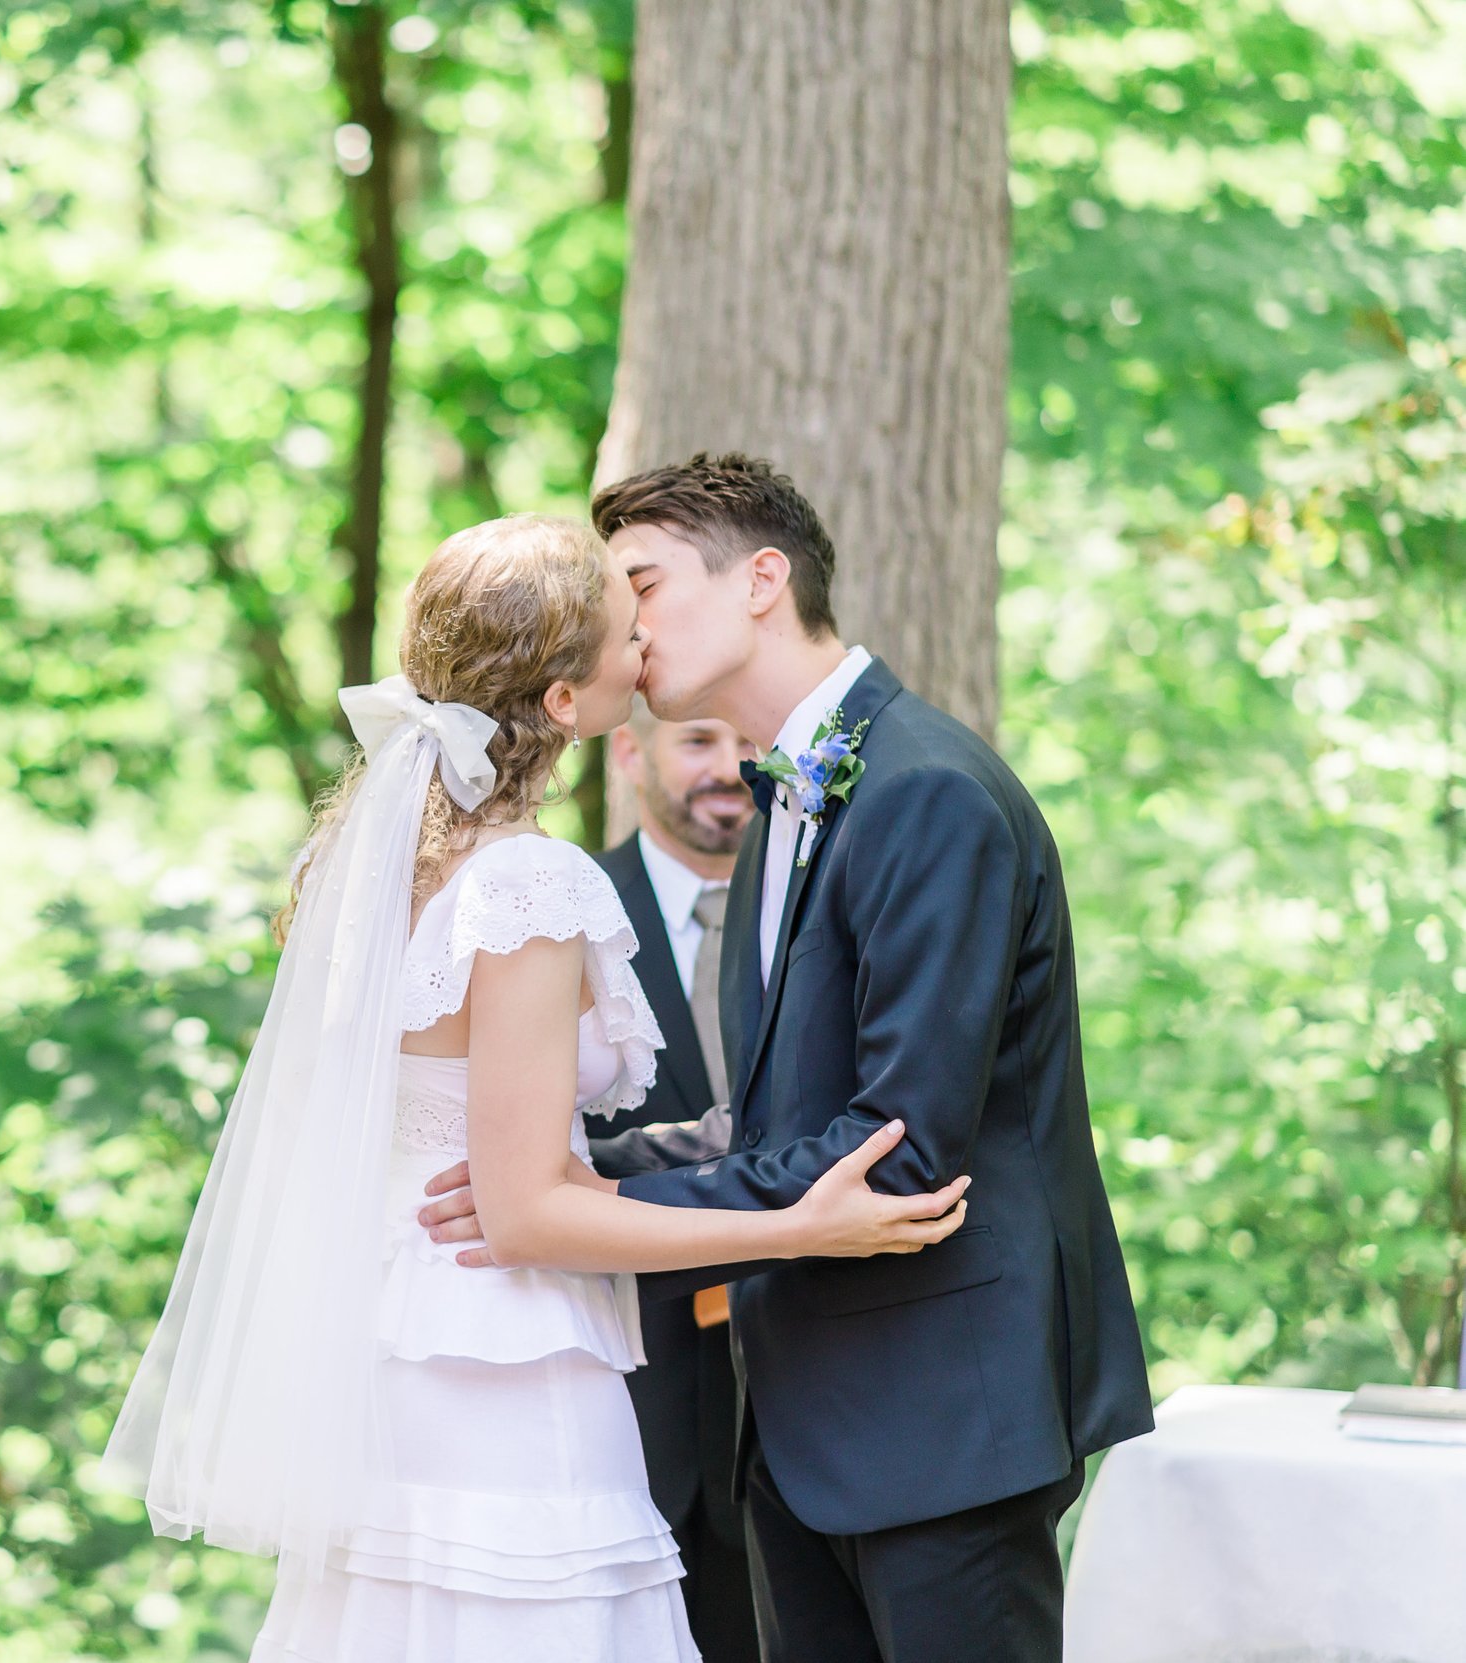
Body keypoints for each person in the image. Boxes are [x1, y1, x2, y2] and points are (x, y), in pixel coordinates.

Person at [106, 512, 969, 1663]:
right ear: (567, 705)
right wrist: (798, 1225)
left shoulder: (377, 863)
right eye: (626, 633)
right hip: (497, 1366)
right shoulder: (521, 883)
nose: (648, 650)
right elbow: (522, 1216)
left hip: (393, 1345)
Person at [420, 456, 1153, 1663]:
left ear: (763, 578)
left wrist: (586, 1207)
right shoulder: (785, 803)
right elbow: (778, 1119)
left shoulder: (924, 791)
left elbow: (899, 1147)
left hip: (941, 1416)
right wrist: (570, 1169)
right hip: (803, 1423)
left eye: (641, 584)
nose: (621, 625)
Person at [586, 705, 758, 1661]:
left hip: (806, 1400)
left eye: (746, 744)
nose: (729, 767)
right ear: (629, 751)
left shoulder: (817, 904)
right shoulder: (568, 910)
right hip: (628, 1392)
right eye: (698, 740)